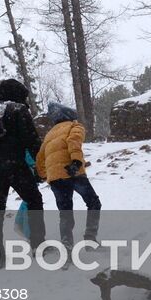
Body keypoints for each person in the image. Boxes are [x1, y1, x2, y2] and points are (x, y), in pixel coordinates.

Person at [0, 79, 44, 257]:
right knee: (34, 199)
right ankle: (38, 243)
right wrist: (41, 164)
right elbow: (32, 140)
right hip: (14, 166)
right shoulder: (18, 110)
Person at [36, 101, 101, 246]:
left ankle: (67, 245)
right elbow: (74, 141)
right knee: (93, 202)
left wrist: (44, 175)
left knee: (65, 212)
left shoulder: (49, 135)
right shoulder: (74, 126)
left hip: (55, 179)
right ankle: (90, 238)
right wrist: (76, 162)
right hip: (73, 172)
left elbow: (40, 157)